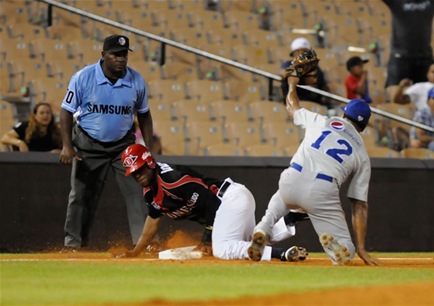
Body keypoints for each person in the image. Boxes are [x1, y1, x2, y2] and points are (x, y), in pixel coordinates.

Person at [247, 69, 381, 266]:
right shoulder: (362, 154)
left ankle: (262, 229)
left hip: (293, 176)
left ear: (344, 113)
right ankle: (337, 248)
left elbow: (292, 107)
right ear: (363, 127)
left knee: (277, 204)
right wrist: (361, 247)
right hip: (322, 190)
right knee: (348, 251)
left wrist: (292, 84)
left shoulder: (321, 120)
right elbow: (359, 205)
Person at [116, 143, 308, 261]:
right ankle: (291, 218)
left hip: (228, 199)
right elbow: (152, 222)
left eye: (140, 169)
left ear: (149, 162)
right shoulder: (150, 192)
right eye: (133, 173)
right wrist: (136, 252)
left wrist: (207, 240)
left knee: (222, 249)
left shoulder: (172, 179)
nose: (137, 175)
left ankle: (280, 254)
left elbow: (211, 201)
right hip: (232, 199)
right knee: (245, 242)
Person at [59, 34, 154, 251]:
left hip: (123, 146)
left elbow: (144, 115)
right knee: (80, 196)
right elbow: (66, 111)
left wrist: (148, 148)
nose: (121, 59)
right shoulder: (83, 77)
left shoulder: (136, 80)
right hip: (88, 144)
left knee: (138, 192)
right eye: (115, 54)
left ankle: (143, 244)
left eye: (124, 55)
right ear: (103, 55)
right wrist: (67, 145)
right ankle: (73, 245)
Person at [382, 0, 434, 87]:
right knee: (395, 93)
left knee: (431, 93)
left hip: (425, 57)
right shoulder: (397, 1)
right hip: (400, 59)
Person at [280, 37, 332, 108]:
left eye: (306, 52)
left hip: (314, 105)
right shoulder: (289, 64)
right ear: (294, 53)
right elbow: (283, 73)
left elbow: (323, 85)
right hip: (294, 102)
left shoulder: (315, 67)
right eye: (299, 51)